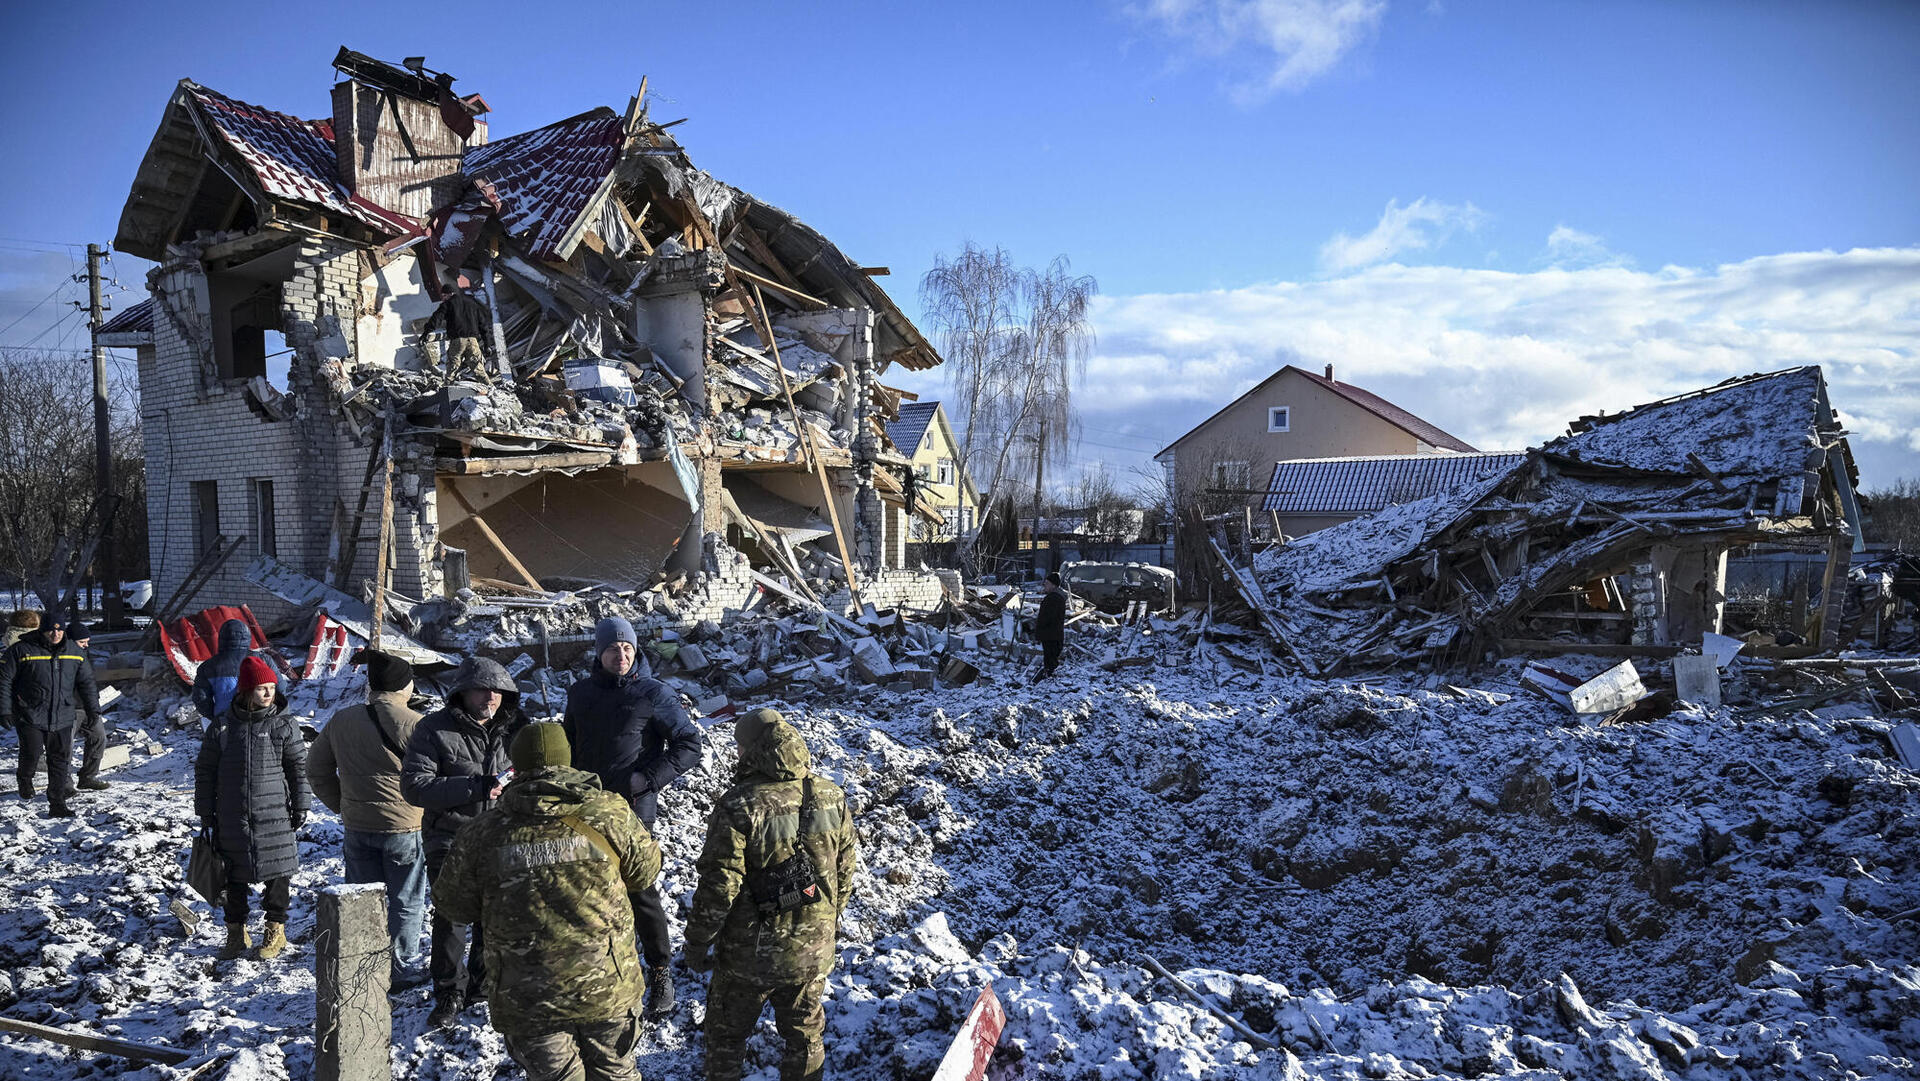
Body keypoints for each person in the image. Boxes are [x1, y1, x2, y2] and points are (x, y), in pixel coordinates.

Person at [433, 723, 661, 1081]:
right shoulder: (610, 814)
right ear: (568, 761)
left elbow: (453, 905)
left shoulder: (481, 832)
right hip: (607, 986)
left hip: (527, 996)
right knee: (616, 1073)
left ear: (517, 766)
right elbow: (645, 873)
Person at [686, 709, 857, 1081]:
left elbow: (720, 886)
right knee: (805, 1038)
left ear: (752, 750)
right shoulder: (832, 795)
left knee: (726, 1038)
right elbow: (845, 872)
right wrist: (827, 923)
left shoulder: (738, 804)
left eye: (739, 746)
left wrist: (698, 942)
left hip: (748, 954)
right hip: (812, 951)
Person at [563, 616, 700, 1017]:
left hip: (632, 809)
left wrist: (649, 778)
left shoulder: (653, 693)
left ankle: (659, 970)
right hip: (585, 808)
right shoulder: (580, 694)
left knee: (640, 889)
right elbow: (568, 744)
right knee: (589, 888)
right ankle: (599, 965)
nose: (620, 655)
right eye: (612, 648)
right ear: (599, 652)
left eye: (627, 648)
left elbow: (689, 744)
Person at [402, 656, 525, 1029]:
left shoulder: (516, 727)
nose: (491, 697)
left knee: (494, 913)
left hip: (500, 835)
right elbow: (415, 786)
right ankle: (448, 992)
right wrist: (476, 787)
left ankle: (481, 985)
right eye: (482, 690)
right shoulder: (433, 729)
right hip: (449, 835)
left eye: (498, 690)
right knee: (452, 916)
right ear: (462, 692)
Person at [307, 649, 428, 987]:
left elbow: (315, 769)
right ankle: (401, 967)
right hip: (404, 827)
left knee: (360, 900)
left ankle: (363, 966)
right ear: (403, 686)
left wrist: (342, 805)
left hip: (357, 826)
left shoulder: (341, 720)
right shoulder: (417, 724)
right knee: (405, 899)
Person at [195, 656, 309, 961]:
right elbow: (205, 771)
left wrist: (301, 805)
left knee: (278, 872)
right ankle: (236, 932)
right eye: (261, 688)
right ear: (246, 691)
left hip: (274, 814)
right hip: (232, 815)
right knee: (232, 875)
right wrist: (206, 812)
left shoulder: (283, 724)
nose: (269, 693)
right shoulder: (222, 727)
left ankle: (275, 930)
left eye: (271, 687)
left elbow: (298, 768)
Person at [2, 612, 101, 818]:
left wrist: (93, 709)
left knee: (59, 760)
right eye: (50, 630)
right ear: (42, 630)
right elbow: (4, 681)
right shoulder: (21, 650)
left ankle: (57, 804)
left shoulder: (74, 652)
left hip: (62, 714)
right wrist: (4, 710)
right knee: (32, 752)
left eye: (59, 630)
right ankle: (25, 778)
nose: (55, 634)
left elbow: (87, 683)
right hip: (30, 713)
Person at [192, 619, 284, 723]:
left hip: (226, 722)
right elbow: (281, 688)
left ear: (221, 639)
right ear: (248, 636)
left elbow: (200, 698)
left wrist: (215, 717)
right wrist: (269, 711)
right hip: (260, 719)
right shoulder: (263, 660)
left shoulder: (208, 666)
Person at [66, 622, 110, 794]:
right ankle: (65, 783)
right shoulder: (61, 657)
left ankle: (88, 777)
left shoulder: (85, 655)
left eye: (87, 642)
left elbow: (89, 684)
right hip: (68, 708)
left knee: (99, 738)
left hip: (87, 707)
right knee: (65, 746)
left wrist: (94, 708)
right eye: (82, 642)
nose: (86, 645)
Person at [422, 282, 494, 382]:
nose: (443, 299)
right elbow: (483, 324)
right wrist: (487, 344)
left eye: (444, 296)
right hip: (473, 340)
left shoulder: (448, 304)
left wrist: (426, 333)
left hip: (458, 340)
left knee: (453, 365)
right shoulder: (472, 303)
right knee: (477, 366)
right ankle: (489, 386)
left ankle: (447, 387)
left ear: (449, 294)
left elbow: (436, 319)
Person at [1034, 572, 1068, 679]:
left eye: (1047, 583)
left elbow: (1047, 618)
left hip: (1050, 635)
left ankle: (1050, 679)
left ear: (1053, 585)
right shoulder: (1057, 597)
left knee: (1050, 660)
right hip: (1054, 634)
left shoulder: (1053, 599)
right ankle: (1050, 678)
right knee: (1051, 659)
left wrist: (1039, 631)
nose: (1045, 585)